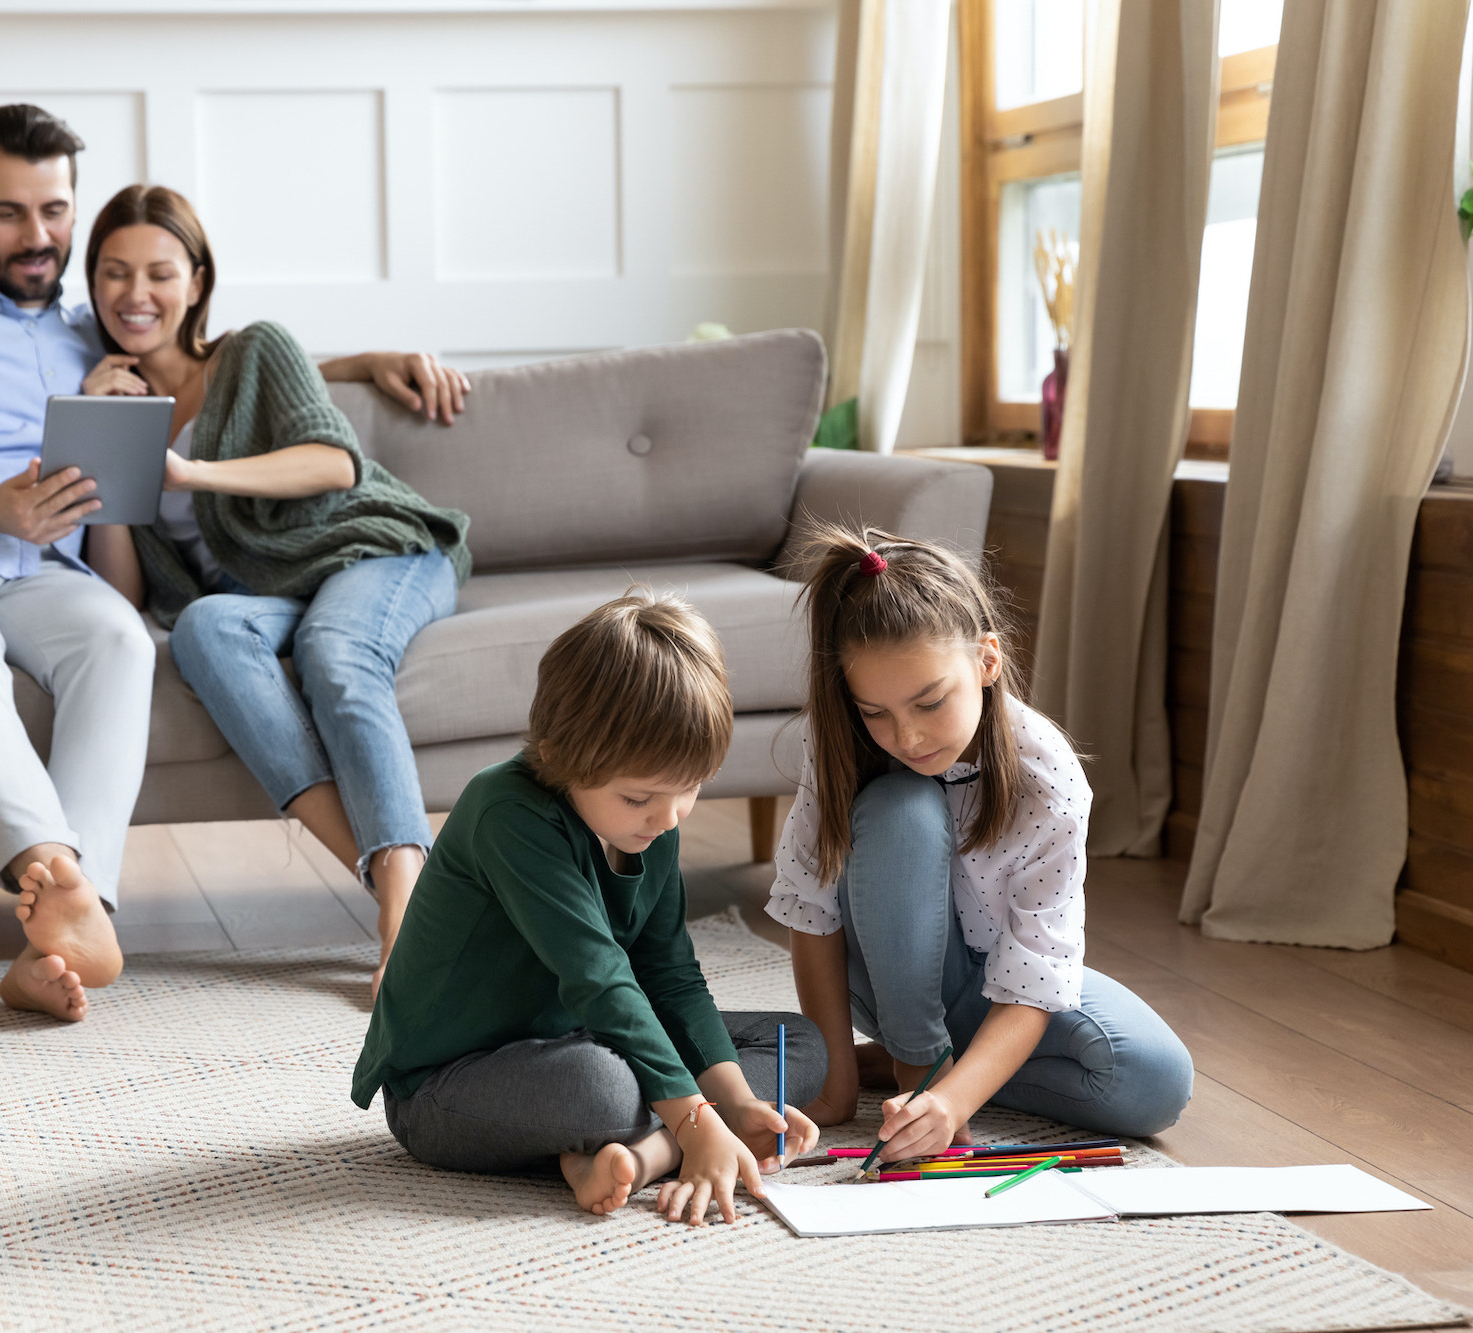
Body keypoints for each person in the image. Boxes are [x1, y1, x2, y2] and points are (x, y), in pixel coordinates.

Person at [0, 105, 461, 1023]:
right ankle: (55, 872)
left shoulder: (96, 330)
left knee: (121, 640)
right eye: (8, 213)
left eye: (55, 211)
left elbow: (211, 356)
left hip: (37, 571)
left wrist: (366, 360)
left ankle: (66, 934)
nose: (38, 237)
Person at [77, 184, 471, 993]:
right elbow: (124, 593)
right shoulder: (115, 397)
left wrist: (191, 472)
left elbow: (334, 461)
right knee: (202, 629)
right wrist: (104, 446)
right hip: (271, 595)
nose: (135, 294)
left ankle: (403, 916)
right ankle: (413, 892)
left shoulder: (254, 348)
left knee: (335, 648)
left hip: (376, 553)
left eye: (159, 271)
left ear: (197, 280)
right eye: (114, 273)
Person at [351, 592, 828, 1225]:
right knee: (598, 1088)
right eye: (639, 798)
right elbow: (600, 977)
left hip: (578, 1033)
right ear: (557, 755)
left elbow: (669, 974)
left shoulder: (653, 821)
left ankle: (648, 1151)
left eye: (689, 788)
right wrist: (693, 1114)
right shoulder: (506, 812)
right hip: (446, 1084)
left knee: (799, 1045)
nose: (669, 816)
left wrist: (734, 1104)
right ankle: (668, 1137)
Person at [772, 523, 1193, 1163]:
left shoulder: (1047, 775)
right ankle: (912, 1060)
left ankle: (941, 1068)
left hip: (994, 985)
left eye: (930, 702)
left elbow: (1036, 968)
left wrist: (957, 1100)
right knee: (901, 806)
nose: (907, 738)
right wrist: (835, 1083)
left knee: (1156, 1083)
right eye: (875, 713)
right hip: (886, 976)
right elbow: (811, 910)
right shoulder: (834, 743)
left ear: (987, 661)